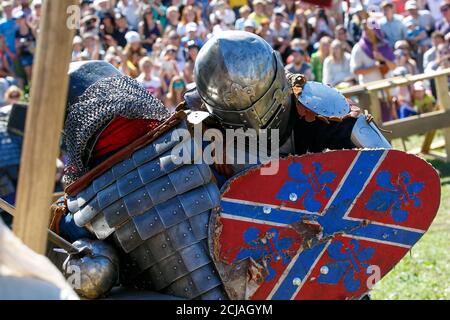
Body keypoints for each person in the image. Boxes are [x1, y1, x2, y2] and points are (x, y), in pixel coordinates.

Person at [350, 19, 396, 84]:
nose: (368, 32)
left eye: (371, 30)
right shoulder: (359, 48)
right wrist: (375, 67)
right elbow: (355, 71)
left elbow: (393, 67)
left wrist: (383, 59)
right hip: (371, 88)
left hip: (389, 87)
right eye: (366, 29)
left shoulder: (385, 45)